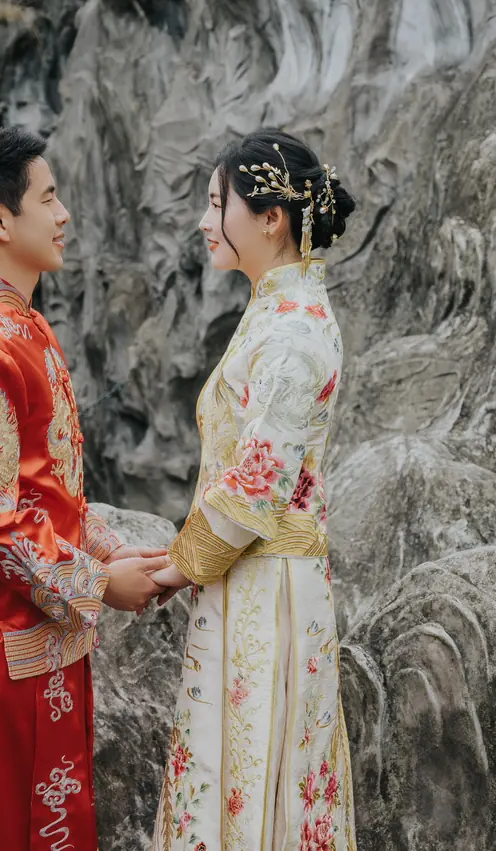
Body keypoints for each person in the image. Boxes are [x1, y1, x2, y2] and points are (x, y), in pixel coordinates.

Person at [0, 126, 170, 851]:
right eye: (48, 198)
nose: (64, 214)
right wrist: (98, 583)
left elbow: (42, 487)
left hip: (37, 642)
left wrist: (108, 549)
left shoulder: (21, 323)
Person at [149, 129, 358, 851]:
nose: (204, 221)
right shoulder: (276, 310)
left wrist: (177, 567)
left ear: (271, 218)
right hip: (250, 573)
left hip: (267, 587)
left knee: (254, 768)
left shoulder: (294, 332)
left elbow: (258, 481)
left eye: (218, 204)